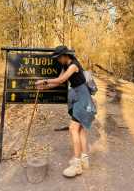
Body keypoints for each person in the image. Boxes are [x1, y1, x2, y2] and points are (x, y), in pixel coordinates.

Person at [36, 46, 96, 178]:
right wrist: (43, 88)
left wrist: (44, 81)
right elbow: (58, 82)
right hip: (78, 97)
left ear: (64, 55)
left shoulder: (74, 65)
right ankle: (84, 159)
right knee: (80, 130)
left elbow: (62, 80)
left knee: (73, 128)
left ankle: (77, 165)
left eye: (58, 57)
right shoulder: (65, 66)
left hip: (83, 98)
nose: (57, 60)